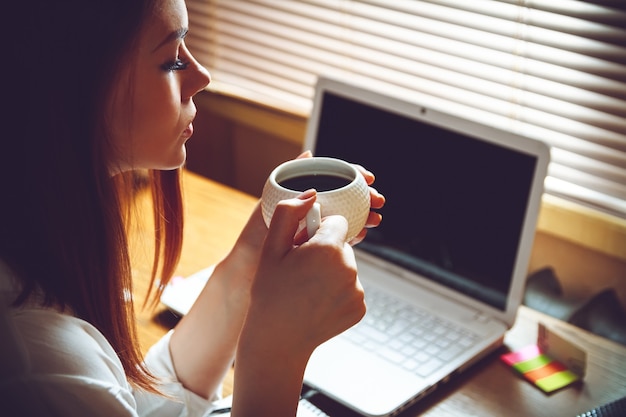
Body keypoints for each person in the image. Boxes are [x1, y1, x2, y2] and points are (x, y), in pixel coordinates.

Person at [0, 0, 385, 416]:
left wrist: (249, 261)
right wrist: (275, 352)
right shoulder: (37, 367)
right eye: (170, 60)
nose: (202, 77)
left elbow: (136, 403)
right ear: (72, 85)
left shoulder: (34, 251)